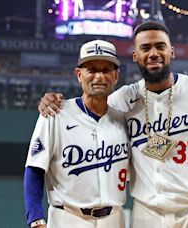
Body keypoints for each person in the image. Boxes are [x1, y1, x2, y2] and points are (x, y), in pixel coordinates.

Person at [38, 21, 188, 228]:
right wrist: (53, 102)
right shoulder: (121, 99)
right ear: (136, 56)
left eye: (160, 46)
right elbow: (88, 109)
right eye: (145, 48)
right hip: (147, 212)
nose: (153, 53)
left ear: (172, 52)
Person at [24, 40, 130, 228]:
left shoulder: (125, 119)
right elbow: (34, 169)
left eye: (106, 70)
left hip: (114, 218)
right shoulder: (55, 114)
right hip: (69, 217)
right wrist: (36, 220)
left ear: (116, 76)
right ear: (79, 74)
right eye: (92, 70)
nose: (99, 77)